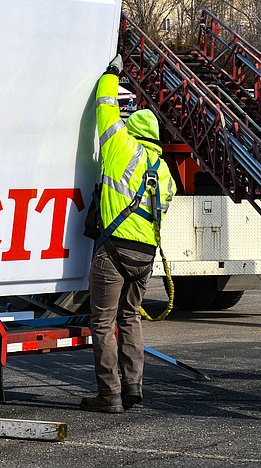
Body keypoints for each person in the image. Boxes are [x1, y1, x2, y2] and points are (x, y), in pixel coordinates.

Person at [80, 54, 175, 413]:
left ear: (131, 128)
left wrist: (110, 73)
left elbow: (105, 106)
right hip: (145, 256)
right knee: (130, 317)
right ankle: (134, 385)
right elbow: (160, 211)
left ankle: (110, 394)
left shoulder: (121, 146)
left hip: (113, 252)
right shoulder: (164, 171)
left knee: (102, 322)